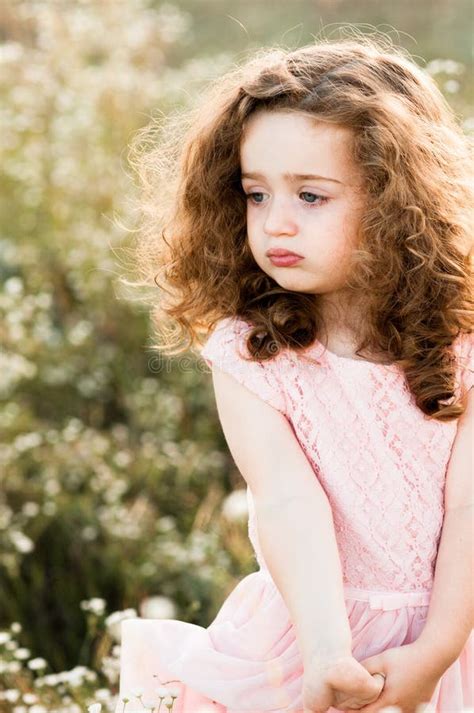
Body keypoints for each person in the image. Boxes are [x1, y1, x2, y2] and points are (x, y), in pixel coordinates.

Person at [114, 34, 473, 713]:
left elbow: (470, 505)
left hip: (455, 630)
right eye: (255, 194)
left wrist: (439, 647)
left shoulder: (464, 342)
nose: (275, 221)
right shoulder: (252, 350)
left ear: (397, 200)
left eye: (311, 195)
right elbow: (286, 499)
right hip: (309, 633)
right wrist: (326, 650)